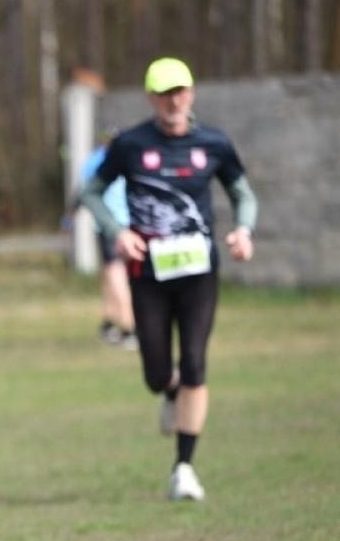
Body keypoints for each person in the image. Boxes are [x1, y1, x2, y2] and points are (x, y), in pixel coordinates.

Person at [79, 57, 258, 502]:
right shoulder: (131, 145)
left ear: (191, 93)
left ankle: (184, 469)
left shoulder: (213, 143)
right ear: (151, 98)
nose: (173, 100)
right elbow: (92, 193)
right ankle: (169, 390)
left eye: (180, 91)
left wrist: (243, 229)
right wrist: (117, 232)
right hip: (149, 275)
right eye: (164, 93)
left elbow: (241, 191)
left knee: (196, 363)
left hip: (199, 273)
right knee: (157, 374)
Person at [79, 133, 136, 348]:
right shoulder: (130, 157)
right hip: (127, 225)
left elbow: (84, 191)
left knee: (117, 275)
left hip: (112, 227)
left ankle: (130, 329)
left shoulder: (97, 160)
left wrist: (70, 215)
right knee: (113, 275)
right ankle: (109, 323)